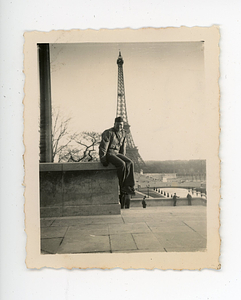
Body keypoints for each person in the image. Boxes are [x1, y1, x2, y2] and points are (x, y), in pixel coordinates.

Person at [99, 116, 135, 195]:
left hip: (117, 153)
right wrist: (103, 159)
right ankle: (122, 185)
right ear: (114, 124)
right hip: (109, 153)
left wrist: (123, 156)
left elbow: (123, 148)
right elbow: (103, 146)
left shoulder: (123, 133)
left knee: (130, 162)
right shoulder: (108, 132)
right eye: (118, 125)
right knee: (121, 164)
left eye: (121, 125)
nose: (120, 127)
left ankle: (129, 185)